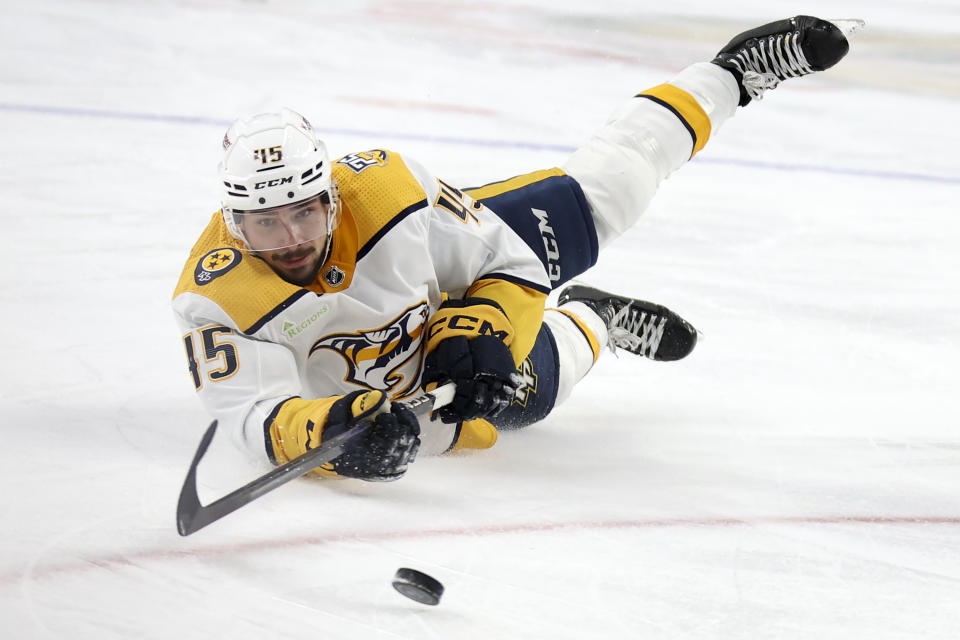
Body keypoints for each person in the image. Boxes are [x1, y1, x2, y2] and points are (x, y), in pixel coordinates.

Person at [173, 16, 854, 481]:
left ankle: (732, 74)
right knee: (526, 397)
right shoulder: (216, 296)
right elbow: (254, 418)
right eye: (265, 223)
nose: (290, 239)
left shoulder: (386, 193)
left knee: (605, 196)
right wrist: (332, 434)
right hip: (391, 395)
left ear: (330, 198)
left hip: (444, 276)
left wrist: (484, 321)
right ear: (233, 225)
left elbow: (510, 262)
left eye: (303, 213)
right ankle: (595, 319)